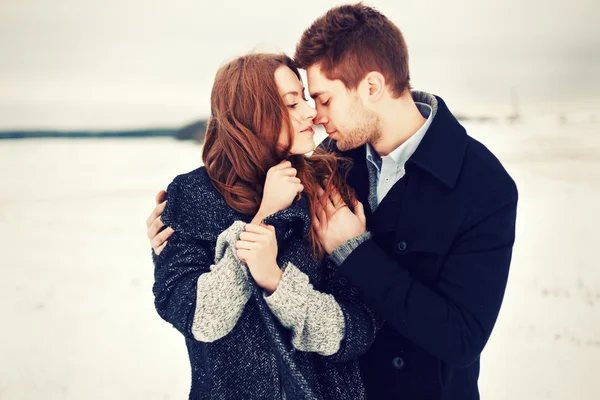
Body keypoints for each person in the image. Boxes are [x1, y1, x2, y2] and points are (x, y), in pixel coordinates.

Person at [149, 4, 518, 399]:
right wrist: (188, 222)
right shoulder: (335, 165)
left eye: (321, 99)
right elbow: (201, 309)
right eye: (301, 101)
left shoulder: (482, 185)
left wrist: (350, 253)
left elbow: (455, 338)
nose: (315, 114)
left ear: (371, 88)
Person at [150, 52, 378, 400]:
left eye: (304, 98)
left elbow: (357, 331)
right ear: (251, 117)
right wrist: (262, 219)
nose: (310, 112)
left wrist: (278, 284)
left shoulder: (327, 187)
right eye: (291, 103)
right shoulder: (191, 196)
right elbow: (202, 319)